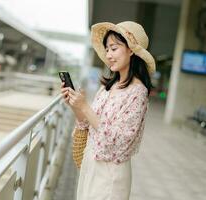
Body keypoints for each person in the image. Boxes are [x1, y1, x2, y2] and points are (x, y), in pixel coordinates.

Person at [60, 21, 156, 200]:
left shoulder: (138, 92)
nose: (109, 54)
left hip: (111, 175)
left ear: (131, 50)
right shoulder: (107, 88)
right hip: (90, 167)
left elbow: (118, 141)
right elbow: (87, 124)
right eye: (107, 49)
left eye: (114, 48)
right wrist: (75, 105)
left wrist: (85, 107)